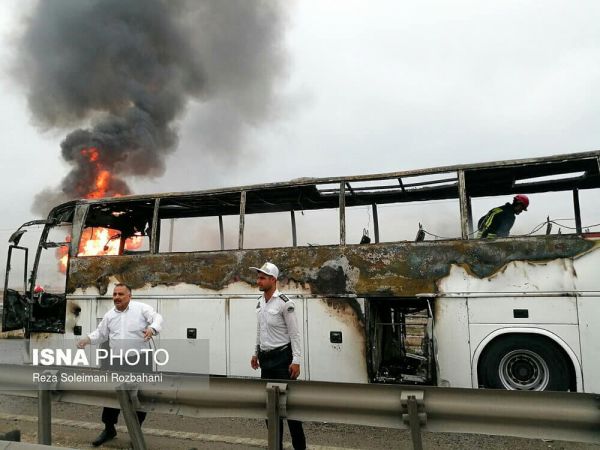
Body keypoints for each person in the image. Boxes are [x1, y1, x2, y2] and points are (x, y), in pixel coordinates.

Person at [77, 283, 163, 447]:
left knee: (139, 397)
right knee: (112, 397)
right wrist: (87, 340)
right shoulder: (110, 315)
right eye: (115, 294)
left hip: (141, 360)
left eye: (120, 294)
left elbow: (158, 318)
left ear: (129, 296)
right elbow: (100, 334)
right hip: (117, 361)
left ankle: (135, 433)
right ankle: (109, 429)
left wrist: (152, 328)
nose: (116, 297)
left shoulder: (141, 309)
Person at [249, 262, 306, 450]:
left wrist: (296, 360)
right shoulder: (260, 302)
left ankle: (300, 447)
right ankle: (276, 446)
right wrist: (256, 352)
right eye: (258, 277)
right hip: (266, 361)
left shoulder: (285, 303)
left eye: (262, 277)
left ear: (273, 280)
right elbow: (260, 329)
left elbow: (294, 334)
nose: (259, 280)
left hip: (283, 360)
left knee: (290, 409)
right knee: (270, 409)